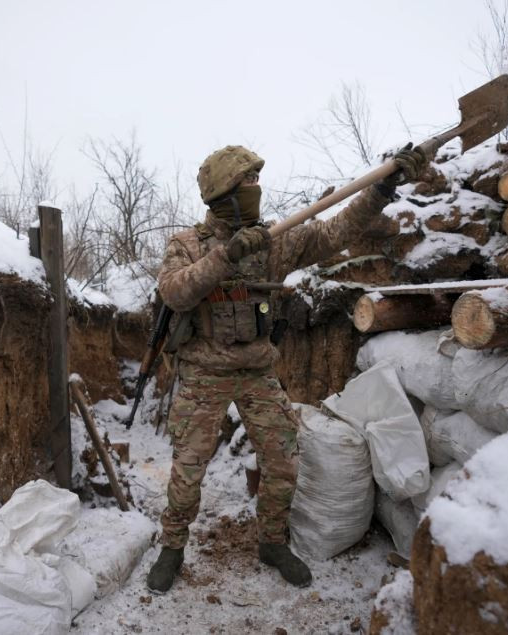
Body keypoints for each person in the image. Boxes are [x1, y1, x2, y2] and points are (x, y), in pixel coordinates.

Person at [146, 143, 426, 592]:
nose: (257, 187)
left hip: (258, 369)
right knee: (188, 469)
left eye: (258, 180)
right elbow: (175, 293)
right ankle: (172, 547)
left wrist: (380, 191)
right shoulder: (187, 245)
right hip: (204, 373)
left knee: (283, 462)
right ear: (223, 192)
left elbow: (335, 232)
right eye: (248, 182)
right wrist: (226, 256)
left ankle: (272, 542)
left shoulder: (276, 240)